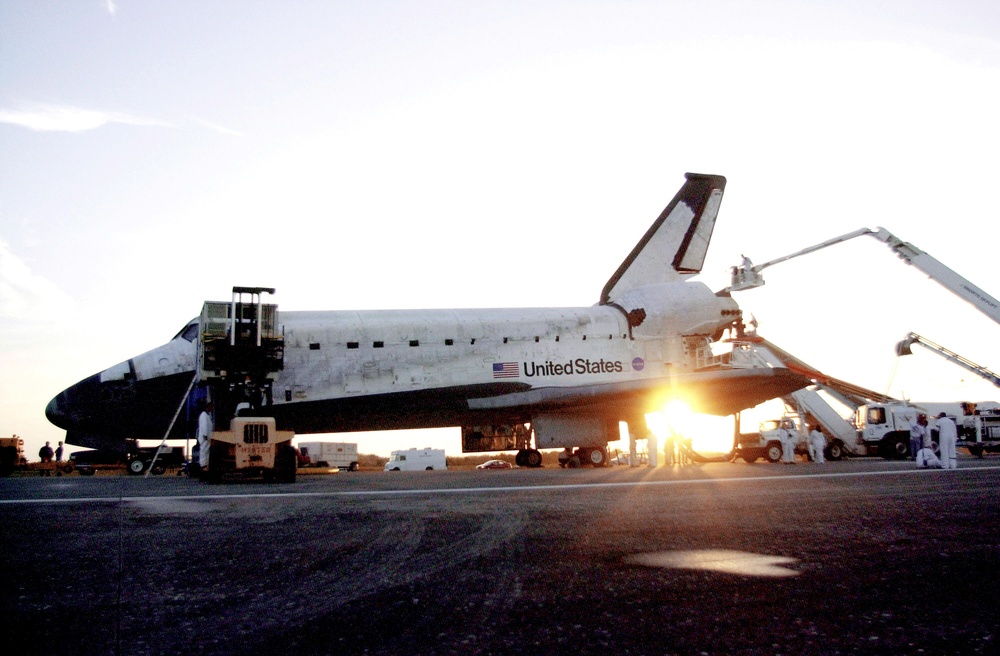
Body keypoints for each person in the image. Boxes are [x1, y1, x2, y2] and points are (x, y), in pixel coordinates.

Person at [197, 401, 214, 475]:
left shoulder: (207, 415)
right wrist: (205, 435)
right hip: (205, 437)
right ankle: (203, 466)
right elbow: (204, 426)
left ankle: (205, 466)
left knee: (206, 451)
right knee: (204, 451)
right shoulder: (204, 415)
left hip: (207, 437)